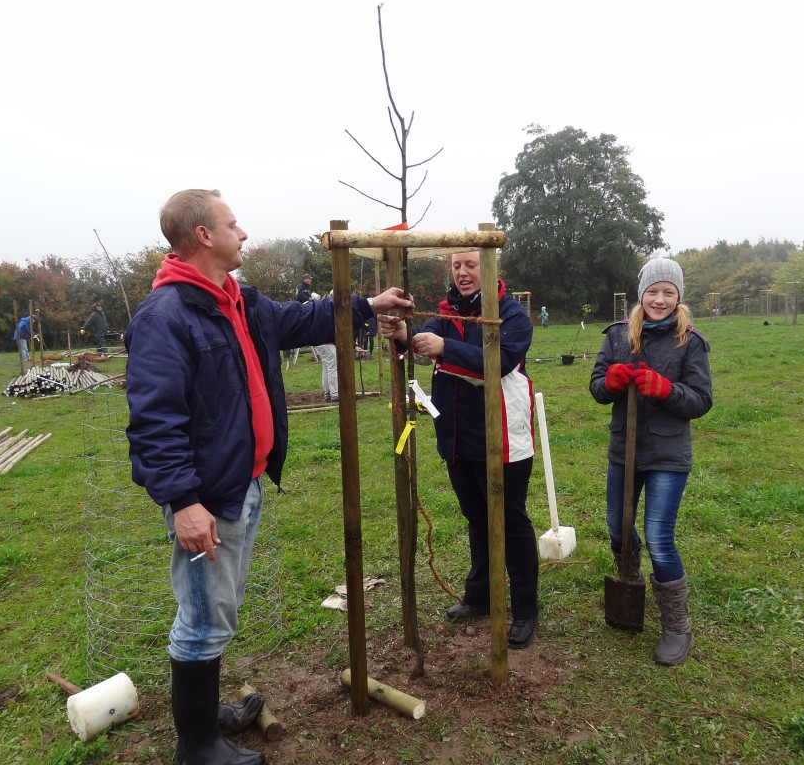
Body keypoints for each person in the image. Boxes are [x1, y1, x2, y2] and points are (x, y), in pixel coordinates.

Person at [125, 189, 411, 765]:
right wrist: (184, 502)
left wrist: (367, 304)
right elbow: (155, 420)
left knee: (217, 608)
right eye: (233, 224)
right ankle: (199, 746)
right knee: (204, 616)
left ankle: (206, 719)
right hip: (209, 495)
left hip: (243, 482)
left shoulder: (237, 300)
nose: (244, 233)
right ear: (204, 236)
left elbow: (299, 319)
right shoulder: (167, 317)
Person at [378, 249, 539, 649]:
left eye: (471, 265)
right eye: (457, 266)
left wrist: (445, 348)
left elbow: (499, 361)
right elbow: (421, 343)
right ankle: (480, 595)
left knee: (510, 522)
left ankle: (525, 608)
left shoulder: (510, 315)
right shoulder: (447, 311)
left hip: (502, 436)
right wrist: (403, 337)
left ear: (489, 268)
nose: (463, 273)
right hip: (457, 436)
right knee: (476, 517)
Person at [589, 258, 712, 666]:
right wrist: (610, 382)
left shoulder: (689, 342)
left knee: (659, 537)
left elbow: (701, 400)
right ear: (641, 293)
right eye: (653, 291)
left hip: (667, 454)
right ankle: (630, 582)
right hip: (624, 450)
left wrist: (666, 389)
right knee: (617, 528)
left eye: (669, 292)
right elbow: (597, 387)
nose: (660, 299)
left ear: (679, 298)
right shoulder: (618, 336)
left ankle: (677, 626)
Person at [309, 293, 338, 402]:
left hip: (318, 342)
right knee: (332, 367)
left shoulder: (320, 310)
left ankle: (327, 393)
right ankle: (335, 394)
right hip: (325, 343)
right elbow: (335, 332)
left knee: (326, 367)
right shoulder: (329, 312)